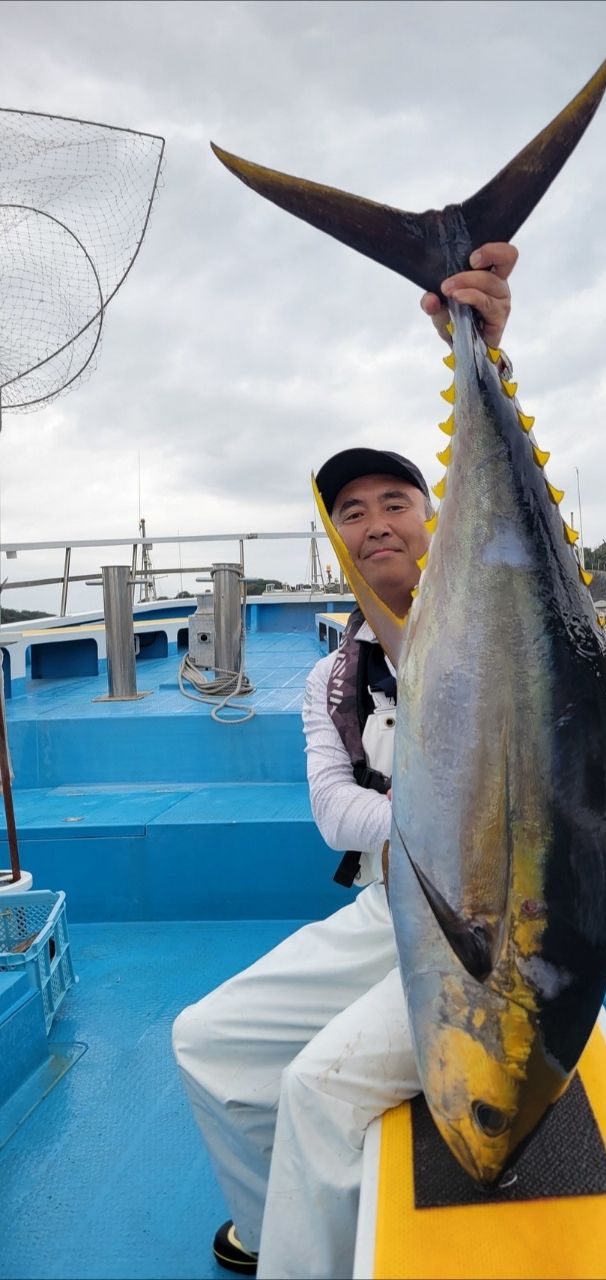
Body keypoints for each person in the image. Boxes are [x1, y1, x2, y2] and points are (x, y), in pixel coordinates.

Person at [172, 242, 518, 1280]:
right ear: (336, 534)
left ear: (435, 516)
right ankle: (277, 1228)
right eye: (351, 511)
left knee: (320, 1083)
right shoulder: (334, 675)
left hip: (498, 924)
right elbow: (333, 812)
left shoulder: (505, 628)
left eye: (394, 503)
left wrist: (487, 347)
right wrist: (443, 816)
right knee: (207, 1039)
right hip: (390, 906)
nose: (375, 524)